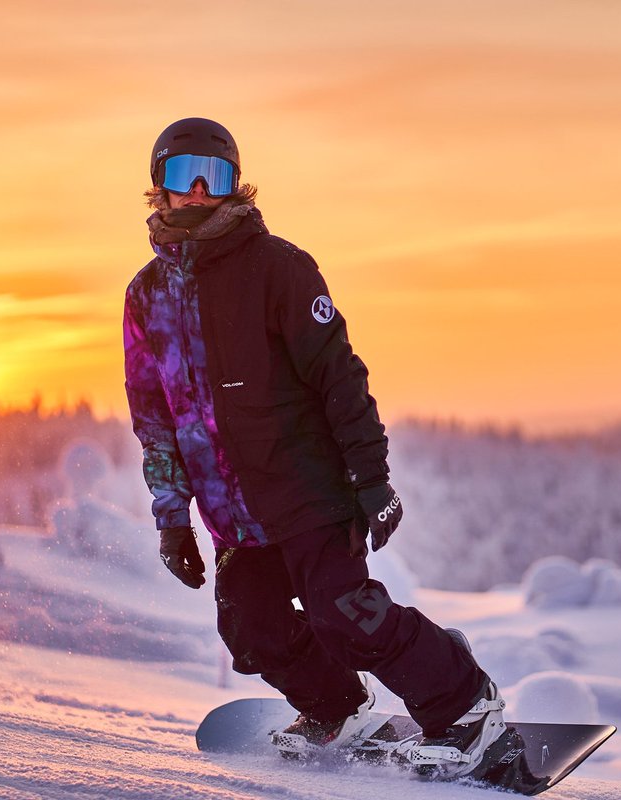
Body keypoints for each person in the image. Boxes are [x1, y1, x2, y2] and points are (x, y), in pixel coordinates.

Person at [123, 117, 505, 777]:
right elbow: (153, 414)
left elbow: (339, 376)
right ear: (158, 186)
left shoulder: (279, 269)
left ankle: (466, 703)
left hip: (309, 491)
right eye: (180, 176)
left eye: (211, 178)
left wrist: (372, 480)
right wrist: (170, 517)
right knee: (251, 629)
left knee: (344, 613)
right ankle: (337, 706)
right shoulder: (146, 296)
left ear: (233, 185)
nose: (196, 193)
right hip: (234, 515)